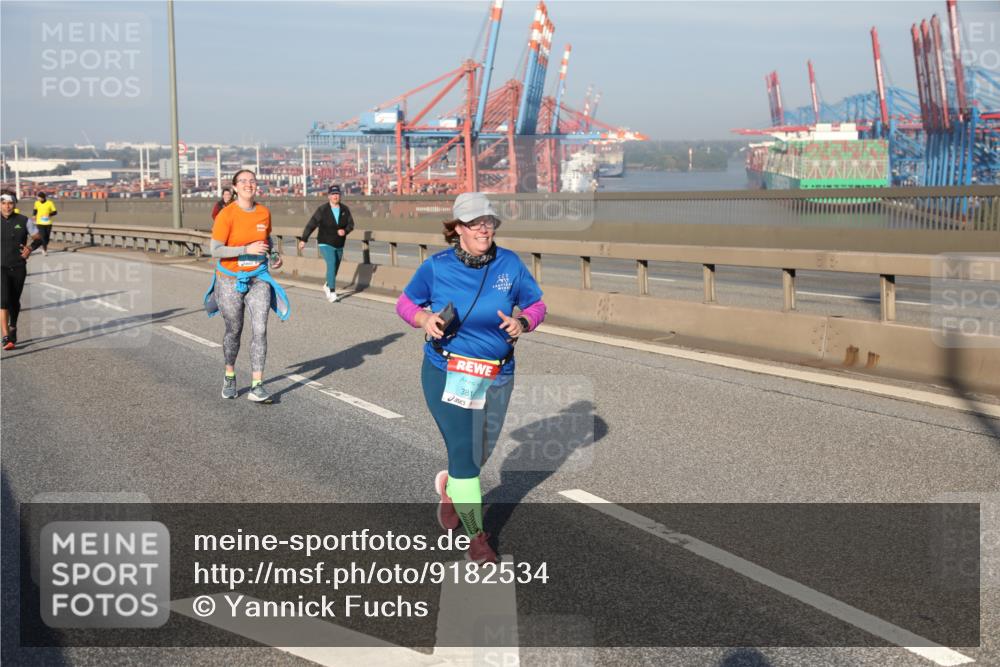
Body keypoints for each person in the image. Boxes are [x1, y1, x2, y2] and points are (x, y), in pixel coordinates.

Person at [395, 192, 547, 564]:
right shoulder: (436, 267)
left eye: (488, 221)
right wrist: (424, 319)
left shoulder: (509, 264)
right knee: (464, 453)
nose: (483, 228)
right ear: (458, 228)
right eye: (475, 223)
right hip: (448, 371)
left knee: (479, 454)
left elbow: (536, 304)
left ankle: (452, 486)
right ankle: (477, 538)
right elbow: (405, 303)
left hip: (497, 373)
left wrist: (523, 321)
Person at [204, 170, 290, 403]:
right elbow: (215, 250)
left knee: (260, 329)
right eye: (243, 181)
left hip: (258, 277)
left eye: (252, 181)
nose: (248, 184)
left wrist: (274, 256)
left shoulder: (263, 212)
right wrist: (245, 249)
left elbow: (267, 240)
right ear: (234, 187)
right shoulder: (226, 214)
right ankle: (229, 375)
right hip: (229, 279)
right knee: (234, 330)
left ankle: (257, 385)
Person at [298, 184, 354, 302]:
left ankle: (327, 285)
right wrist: (303, 239)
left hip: (339, 243)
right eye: (333, 194)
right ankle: (332, 292)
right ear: (329, 196)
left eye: (337, 194)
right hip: (325, 241)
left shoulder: (345, 209)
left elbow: (351, 224)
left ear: (340, 195)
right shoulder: (322, 210)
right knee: (331, 263)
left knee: (335, 268)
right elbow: (311, 224)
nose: (335, 196)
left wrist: (345, 231)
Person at [2, 190, 42, 350]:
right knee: (3, 300)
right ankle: (5, 337)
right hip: (0, 267)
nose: (7, 206)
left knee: (14, 301)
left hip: (18, 266)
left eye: (10, 203)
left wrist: (30, 248)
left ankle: (13, 326)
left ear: (14, 204)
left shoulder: (24, 220)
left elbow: (38, 238)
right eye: (3, 203)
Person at [32, 191, 57, 256]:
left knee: (47, 238)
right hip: (40, 222)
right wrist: (34, 215)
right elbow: (35, 210)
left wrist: (49, 214)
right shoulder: (36, 203)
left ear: (43, 197)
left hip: (48, 223)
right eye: (37, 197)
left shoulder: (50, 203)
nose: (38, 198)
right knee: (43, 236)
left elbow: (55, 212)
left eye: (39, 197)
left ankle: (43, 246)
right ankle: (44, 250)